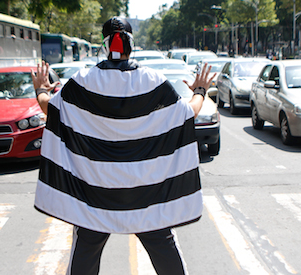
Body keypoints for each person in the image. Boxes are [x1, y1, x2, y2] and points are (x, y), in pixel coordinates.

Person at [31, 17, 215, 275]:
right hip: (145, 194)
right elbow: (188, 113)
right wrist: (200, 90)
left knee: (85, 249)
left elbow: (50, 109)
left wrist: (40, 88)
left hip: (96, 194)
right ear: (132, 44)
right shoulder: (154, 81)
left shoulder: (83, 80)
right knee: (164, 248)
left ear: (105, 45)